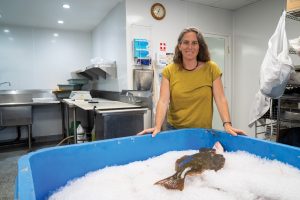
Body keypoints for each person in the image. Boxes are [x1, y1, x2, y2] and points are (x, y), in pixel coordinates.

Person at [138, 27, 245, 137]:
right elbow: (163, 101)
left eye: (194, 43)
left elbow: (220, 98)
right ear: (180, 46)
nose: (190, 47)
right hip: (175, 130)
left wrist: (227, 124)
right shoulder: (169, 71)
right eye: (186, 42)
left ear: (199, 47)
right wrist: (158, 126)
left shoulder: (211, 68)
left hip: (202, 131)